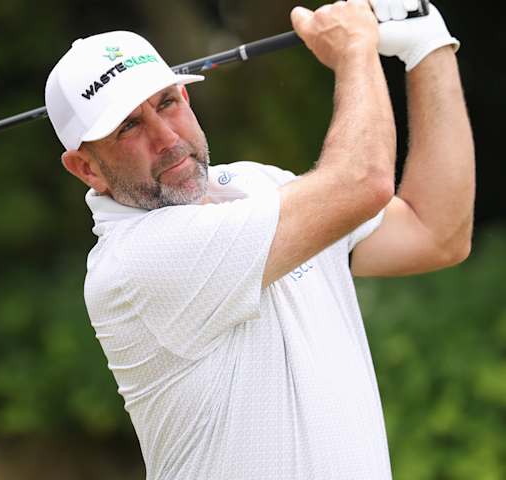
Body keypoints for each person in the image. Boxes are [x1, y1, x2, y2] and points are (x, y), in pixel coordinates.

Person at [44, 0, 474, 478]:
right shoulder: (134, 263)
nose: (166, 138)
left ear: (185, 99)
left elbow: (436, 232)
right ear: (85, 168)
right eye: (129, 127)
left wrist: (428, 46)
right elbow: (361, 182)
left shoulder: (258, 186)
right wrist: (356, 48)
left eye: (166, 102)